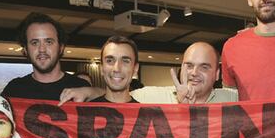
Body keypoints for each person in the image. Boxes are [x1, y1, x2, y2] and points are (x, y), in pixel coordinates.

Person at [59, 42, 237, 104]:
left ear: (217, 74)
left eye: (204, 67)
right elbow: (118, 95)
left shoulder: (233, 100)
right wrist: (88, 91)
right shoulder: (154, 97)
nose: (194, 73)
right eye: (189, 65)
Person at [2, 12, 90, 100]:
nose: (42, 49)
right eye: (35, 43)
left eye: (49, 42)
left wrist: (93, 91)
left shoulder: (80, 87)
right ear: (25, 50)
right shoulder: (14, 89)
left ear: (61, 48)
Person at [91, 36, 139, 103]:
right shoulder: (84, 112)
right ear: (101, 68)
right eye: (110, 61)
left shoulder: (145, 113)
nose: (117, 69)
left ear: (135, 69)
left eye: (125, 61)